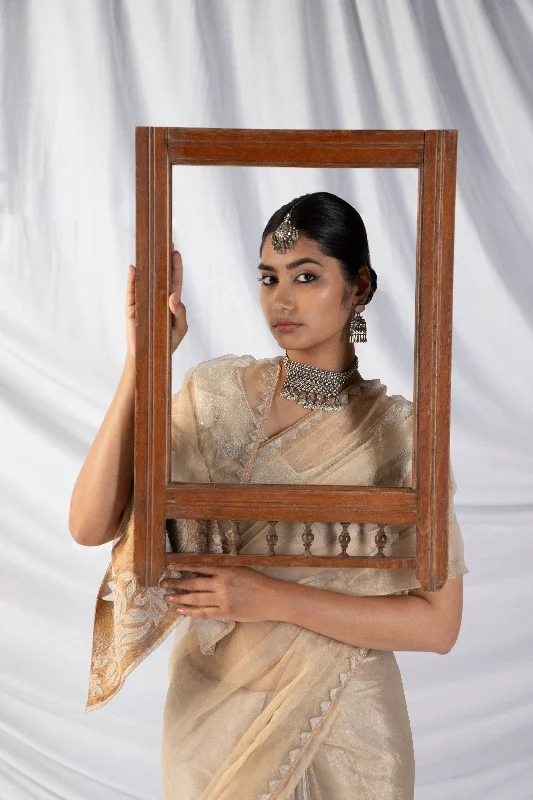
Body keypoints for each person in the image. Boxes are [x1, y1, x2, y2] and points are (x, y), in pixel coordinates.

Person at [69, 191, 467, 800]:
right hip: (211, 720)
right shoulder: (216, 396)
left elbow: (438, 625)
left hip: (346, 722)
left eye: (307, 277)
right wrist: (143, 360)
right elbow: (90, 523)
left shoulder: (400, 436)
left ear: (358, 286)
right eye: (268, 277)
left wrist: (268, 597)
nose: (281, 299)